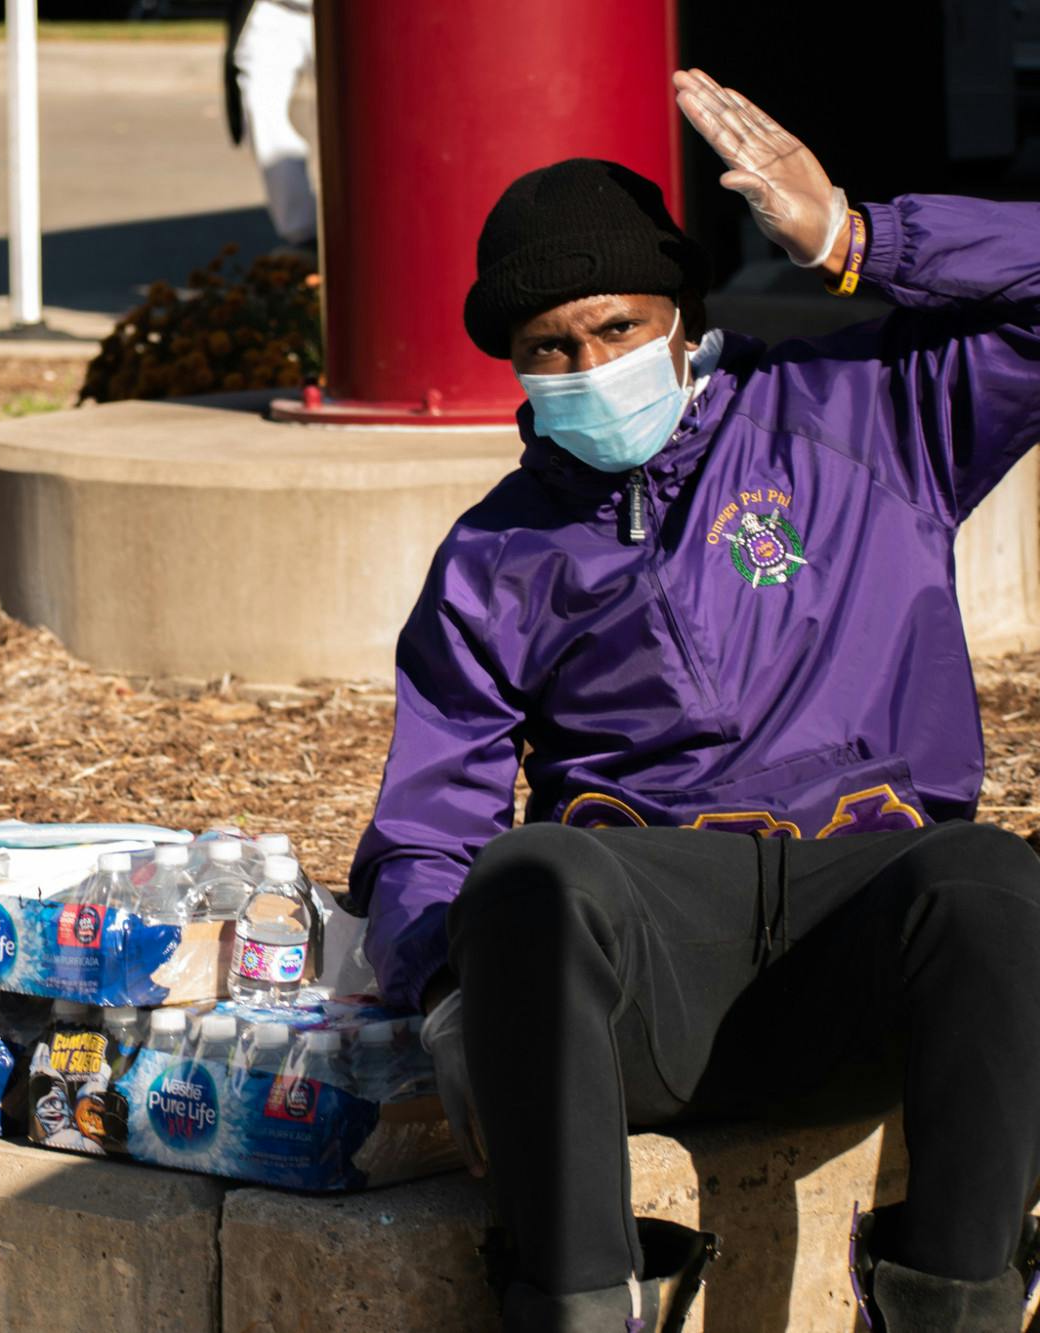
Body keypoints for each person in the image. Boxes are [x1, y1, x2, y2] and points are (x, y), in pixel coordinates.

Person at [348, 69, 1040, 1332]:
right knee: (524, 877)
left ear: (680, 319)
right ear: (516, 367)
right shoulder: (490, 557)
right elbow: (423, 826)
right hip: (642, 991)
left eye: (615, 329)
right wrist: (440, 989)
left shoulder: (866, 418)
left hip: (857, 942)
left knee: (989, 882)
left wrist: (856, 239)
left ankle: (950, 1303)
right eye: (549, 349)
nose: (589, 366)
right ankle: (578, 1306)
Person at [222, 0, 317, 249]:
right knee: (261, 108)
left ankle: (373, 229)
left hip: (352, 12)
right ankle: (304, 237)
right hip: (275, 9)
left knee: (363, 119)